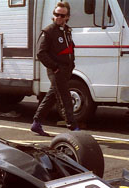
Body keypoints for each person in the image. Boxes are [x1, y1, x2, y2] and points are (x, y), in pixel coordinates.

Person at [31, 1, 79, 137]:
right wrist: (55, 67)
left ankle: (36, 123)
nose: (59, 17)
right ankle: (73, 126)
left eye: (62, 15)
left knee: (51, 96)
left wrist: (72, 64)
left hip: (66, 70)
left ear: (67, 17)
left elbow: (70, 49)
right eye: (56, 14)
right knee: (65, 98)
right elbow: (41, 53)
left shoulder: (67, 31)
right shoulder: (48, 31)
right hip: (56, 70)